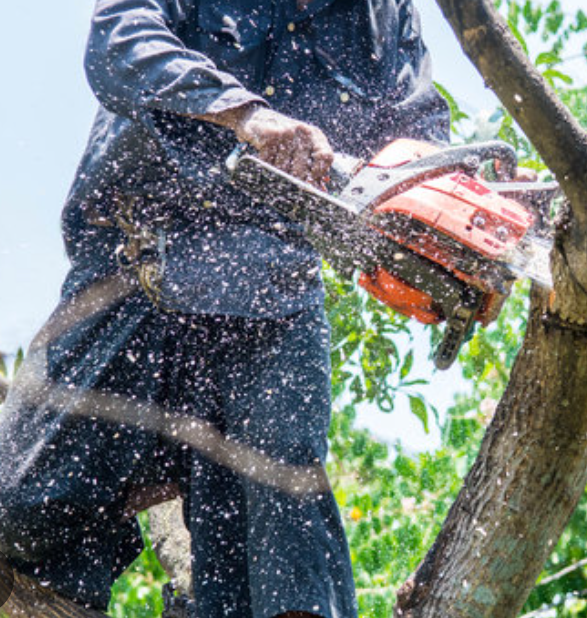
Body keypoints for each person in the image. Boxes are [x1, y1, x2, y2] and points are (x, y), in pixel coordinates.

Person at [0, 0, 449, 617]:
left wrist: (453, 235)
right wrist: (249, 117)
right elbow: (117, 40)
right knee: (20, 507)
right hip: (139, 265)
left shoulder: (383, 15)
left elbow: (418, 141)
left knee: (281, 555)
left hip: (272, 294)